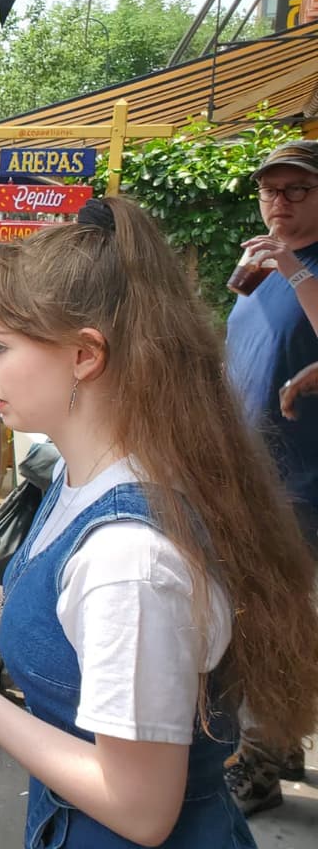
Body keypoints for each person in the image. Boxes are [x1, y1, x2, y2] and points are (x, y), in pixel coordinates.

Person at [0, 196, 318, 849]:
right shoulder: (87, 476)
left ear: (85, 356)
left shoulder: (130, 557)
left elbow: (140, 808)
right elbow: (96, 633)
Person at [221, 138, 318, 813]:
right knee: (256, 618)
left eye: (295, 192)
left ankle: (259, 760)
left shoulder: (302, 266)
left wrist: (293, 270)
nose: (277, 204)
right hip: (248, 476)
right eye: (268, 191)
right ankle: (277, 742)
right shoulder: (266, 263)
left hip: (303, 484)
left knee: (268, 623)